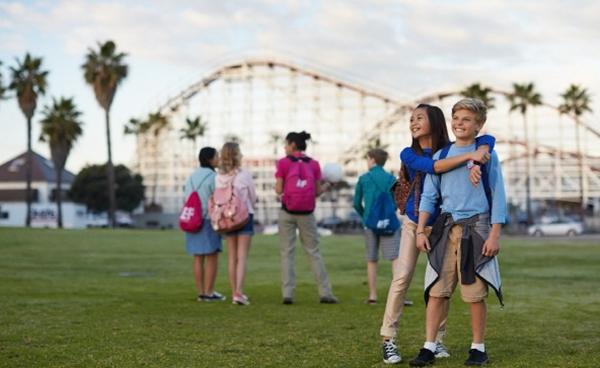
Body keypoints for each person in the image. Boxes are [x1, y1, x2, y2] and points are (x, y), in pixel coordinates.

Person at [380, 104, 496, 364]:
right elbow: (436, 167)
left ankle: (437, 341)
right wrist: (472, 157)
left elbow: (487, 138)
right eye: (411, 119)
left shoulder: (454, 145)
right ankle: (389, 339)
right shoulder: (409, 153)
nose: (413, 122)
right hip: (415, 224)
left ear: (434, 121)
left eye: (419, 117)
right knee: (402, 278)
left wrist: (482, 149)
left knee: (441, 284)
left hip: (445, 224)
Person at [409, 98, 506, 366]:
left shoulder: (487, 154)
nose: (459, 124)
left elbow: (498, 194)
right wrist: (420, 230)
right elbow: (429, 197)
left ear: (479, 126)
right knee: (437, 290)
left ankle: (478, 348)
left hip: (477, 227)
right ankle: (429, 346)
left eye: (466, 120)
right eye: (456, 118)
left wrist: (495, 234)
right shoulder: (440, 156)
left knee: (474, 293)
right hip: (444, 228)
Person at [275, 131, 338, 305]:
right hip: (307, 215)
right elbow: (317, 191)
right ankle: (325, 292)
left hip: (287, 212)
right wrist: (328, 185)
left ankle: (287, 293)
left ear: (293, 145)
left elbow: (279, 190)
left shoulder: (283, 163)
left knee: (287, 252)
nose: (285, 147)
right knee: (314, 252)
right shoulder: (314, 164)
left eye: (286, 144)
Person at [353, 148, 399, 304]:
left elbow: (356, 203)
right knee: (394, 259)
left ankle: (373, 296)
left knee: (372, 259)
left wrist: (365, 216)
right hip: (389, 223)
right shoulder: (391, 178)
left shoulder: (364, 178)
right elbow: (397, 202)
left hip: (370, 224)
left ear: (372, 160)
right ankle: (398, 296)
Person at [216, 142, 257, 306]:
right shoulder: (244, 174)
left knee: (232, 258)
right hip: (244, 217)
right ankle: (238, 293)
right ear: (236, 155)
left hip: (226, 218)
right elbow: (253, 197)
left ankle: (235, 292)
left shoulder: (218, 176)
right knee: (242, 257)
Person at [183, 147, 225, 302]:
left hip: (193, 219)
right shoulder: (214, 177)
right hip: (208, 220)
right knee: (212, 256)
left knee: (198, 257)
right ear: (209, 159)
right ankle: (209, 292)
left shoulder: (191, 177)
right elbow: (219, 199)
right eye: (216, 157)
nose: (218, 159)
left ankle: (201, 292)